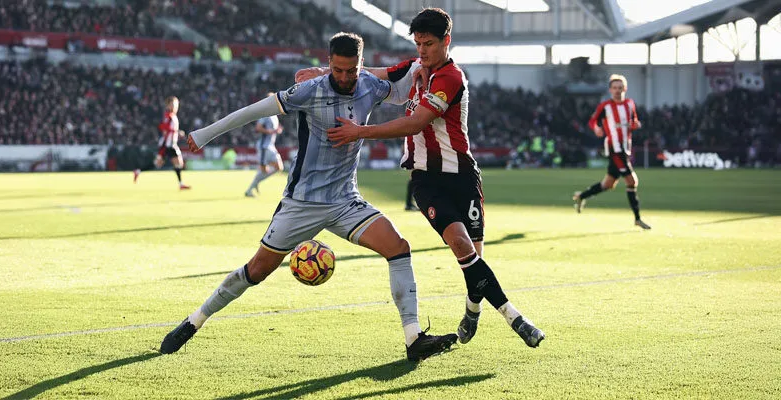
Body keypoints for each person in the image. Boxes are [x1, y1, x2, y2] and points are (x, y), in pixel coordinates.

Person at [160, 32, 458, 362]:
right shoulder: (310, 90)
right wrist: (205, 134)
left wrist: (420, 64)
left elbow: (401, 90)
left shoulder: (371, 86)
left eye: (352, 71)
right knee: (256, 270)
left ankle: (414, 338)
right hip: (302, 203)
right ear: (328, 63)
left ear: (361, 66)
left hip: (346, 200)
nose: (344, 78)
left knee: (398, 248)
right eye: (337, 70)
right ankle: (194, 321)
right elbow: (253, 111)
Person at [324, 8, 545, 348]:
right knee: (460, 244)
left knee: (474, 265)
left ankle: (472, 310)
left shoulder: (450, 77)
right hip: (426, 180)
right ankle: (516, 318)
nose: (422, 50)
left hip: (462, 177)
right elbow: (375, 72)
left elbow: (415, 123)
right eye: (417, 43)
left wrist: (360, 132)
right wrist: (323, 73)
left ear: (446, 41)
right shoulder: (414, 67)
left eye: (428, 43)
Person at [573, 74, 650, 230]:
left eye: (620, 88)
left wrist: (635, 124)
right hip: (615, 148)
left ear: (625, 89)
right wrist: (596, 128)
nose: (617, 91)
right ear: (610, 90)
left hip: (624, 147)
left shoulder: (630, 104)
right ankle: (637, 218)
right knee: (632, 181)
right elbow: (592, 120)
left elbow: (633, 121)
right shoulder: (605, 106)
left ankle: (581, 196)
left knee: (608, 184)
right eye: (614, 88)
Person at [133, 96, 191, 190]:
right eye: (172, 104)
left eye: (176, 105)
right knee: (171, 163)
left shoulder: (172, 116)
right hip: (167, 145)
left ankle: (138, 171)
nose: (175, 106)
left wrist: (175, 132)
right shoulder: (168, 116)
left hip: (171, 144)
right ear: (168, 105)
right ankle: (180, 184)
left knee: (162, 163)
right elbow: (162, 126)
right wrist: (176, 132)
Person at [245, 93, 284, 197]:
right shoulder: (265, 114)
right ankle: (249, 190)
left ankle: (254, 184)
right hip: (264, 147)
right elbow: (258, 128)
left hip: (270, 146)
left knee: (278, 167)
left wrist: (277, 130)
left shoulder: (275, 115)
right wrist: (271, 131)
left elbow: (273, 129)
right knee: (265, 170)